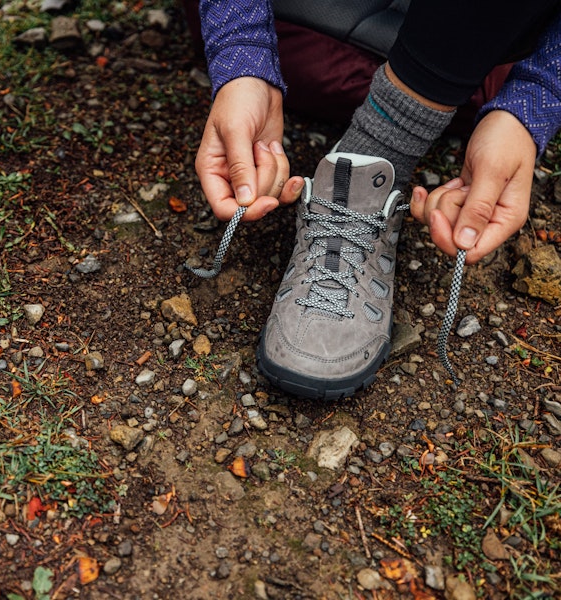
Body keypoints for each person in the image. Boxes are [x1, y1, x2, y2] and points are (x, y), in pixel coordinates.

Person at [194, 0, 561, 399]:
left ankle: (382, 147)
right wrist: (241, 54)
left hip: (492, 46)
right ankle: (378, 148)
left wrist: (530, 102)